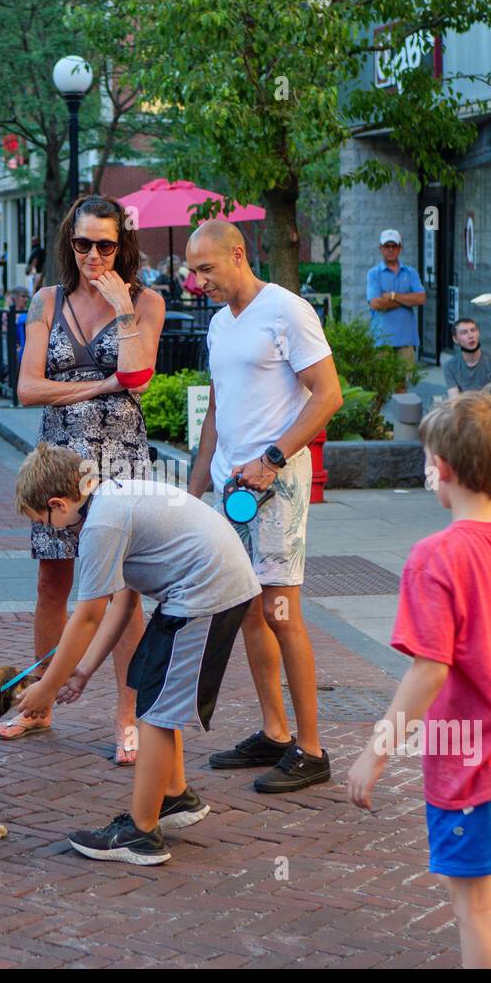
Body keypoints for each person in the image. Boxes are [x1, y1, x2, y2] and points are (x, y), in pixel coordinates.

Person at [348, 393, 491, 969]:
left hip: (468, 757)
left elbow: (428, 667)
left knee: (472, 904)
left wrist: (376, 752)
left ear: (440, 468)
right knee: (480, 886)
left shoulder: (435, 556)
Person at [15, 444, 260, 865]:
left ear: (59, 503)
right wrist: (83, 672)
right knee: (152, 692)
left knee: (157, 714)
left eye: (48, 523)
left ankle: (141, 834)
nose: (54, 532)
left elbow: (88, 615)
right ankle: (174, 796)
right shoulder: (109, 500)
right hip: (199, 590)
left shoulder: (100, 525)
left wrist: (47, 688)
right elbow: (122, 602)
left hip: (204, 594)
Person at [3, 193, 165, 764]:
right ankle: (41, 701)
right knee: (53, 580)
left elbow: (137, 375)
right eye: (82, 244)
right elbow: (27, 388)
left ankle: (130, 717)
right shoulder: (47, 300)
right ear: (68, 244)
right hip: (60, 460)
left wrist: (122, 310)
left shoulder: (147, 301)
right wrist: (100, 386)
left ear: (122, 245)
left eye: (105, 244)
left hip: (122, 459)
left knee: (125, 593)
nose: (93, 255)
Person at [185, 218, 343, 793]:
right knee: (247, 609)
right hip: (231, 488)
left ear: (238, 253)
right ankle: (275, 733)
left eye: (207, 269)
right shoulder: (220, 326)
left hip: (275, 487)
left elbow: (329, 395)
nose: (198, 280)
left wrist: (272, 459)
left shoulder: (286, 310)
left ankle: (311, 748)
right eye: (192, 271)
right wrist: (194, 493)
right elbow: (215, 415)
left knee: (281, 612)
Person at [366, 230, 426, 367]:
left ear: (400, 248)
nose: (391, 249)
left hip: (406, 338)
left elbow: (421, 298)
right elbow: (375, 303)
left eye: (394, 246)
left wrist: (393, 296)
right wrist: (407, 300)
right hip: (381, 339)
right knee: (382, 384)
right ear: (381, 248)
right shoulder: (373, 274)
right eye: (387, 246)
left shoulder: (411, 272)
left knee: (403, 385)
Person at [444, 317, 491, 398]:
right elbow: (454, 399)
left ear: (478, 333)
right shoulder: (450, 366)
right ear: (455, 339)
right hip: (464, 408)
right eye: (464, 332)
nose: (470, 336)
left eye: (473, 330)